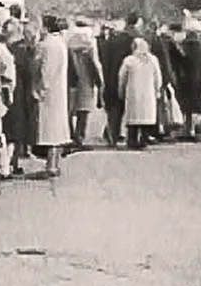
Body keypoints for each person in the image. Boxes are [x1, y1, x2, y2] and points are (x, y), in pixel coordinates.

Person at [34, 15, 72, 177]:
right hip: (59, 90)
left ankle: (50, 165)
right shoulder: (60, 43)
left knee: (49, 129)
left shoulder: (45, 45)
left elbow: (45, 70)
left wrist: (40, 89)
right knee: (57, 128)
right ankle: (55, 162)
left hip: (48, 91)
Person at [99, 13, 141, 146]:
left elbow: (105, 59)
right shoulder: (138, 40)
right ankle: (131, 138)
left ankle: (113, 135)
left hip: (112, 76)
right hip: (133, 79)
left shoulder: (115, 40)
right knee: (132, 109)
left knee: (114, 109)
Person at [3, 18, 38, 175]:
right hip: (19, 92)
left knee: (5, 128)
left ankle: (5, 161)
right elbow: (29, 73)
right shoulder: (23, 50)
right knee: (17, 127)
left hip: (2, 91)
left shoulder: (2, 47)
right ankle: (13, 162)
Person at [65, 18, 104, 148]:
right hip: (86, 81)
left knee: (69, 112)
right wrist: (99, 82)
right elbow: (95, 65)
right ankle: (79, 137)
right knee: (83, 112)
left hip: (69, 82)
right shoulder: (89, 44)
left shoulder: (68, 42)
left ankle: (69, 137)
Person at [118, 37, 163, 149]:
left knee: (133, 118)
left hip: (133, 92)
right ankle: (144, 140)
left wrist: (121, 90)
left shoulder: (129, 60)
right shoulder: (152, 60)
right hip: (148, 92)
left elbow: (122, 77)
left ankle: (132, 141)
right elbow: (158, 77)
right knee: (146, 118)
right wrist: (157, 89)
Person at [171, 13, 201, 140]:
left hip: (183, 79)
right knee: (194, 106)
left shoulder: (182, 46)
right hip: (196, 79)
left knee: (185, 105)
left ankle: (185, 129)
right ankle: (192, 130)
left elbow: (177, 62)